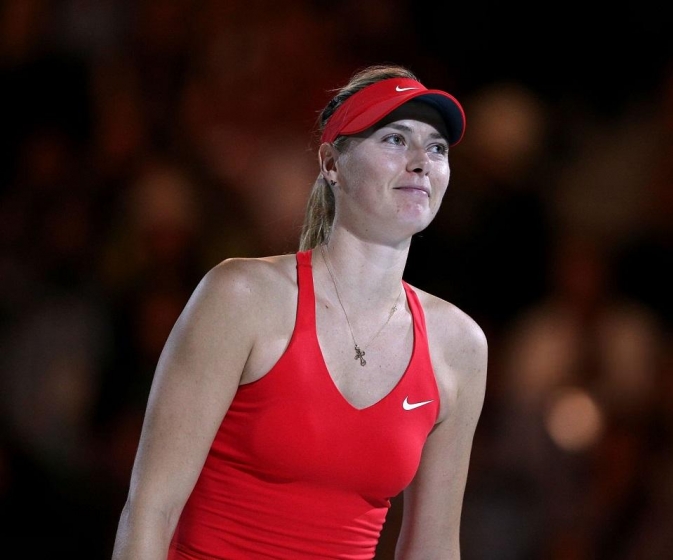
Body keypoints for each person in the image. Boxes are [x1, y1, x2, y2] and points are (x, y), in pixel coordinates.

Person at [110, 63, 488, 560]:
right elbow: (150, 511)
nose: (421, 162)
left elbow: (433, 547)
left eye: (436, 148)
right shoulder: (241, 296)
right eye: (395, 140)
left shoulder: (459, 344)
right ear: (331, 164)